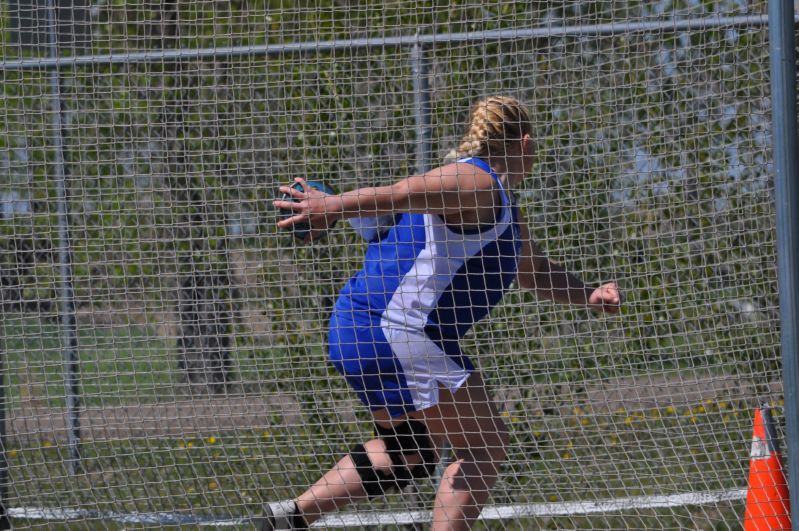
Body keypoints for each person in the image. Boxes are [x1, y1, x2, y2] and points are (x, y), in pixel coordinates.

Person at [265, 95, 622, 530]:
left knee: (411, 452)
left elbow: (533, 273)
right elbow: (398, 193)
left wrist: (588, 294)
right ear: (526, 144)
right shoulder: (475, 181)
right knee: (485, 446)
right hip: (395, 329)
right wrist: (333, 207)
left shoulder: (503, 205)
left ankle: (290, 519)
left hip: (358, 328)